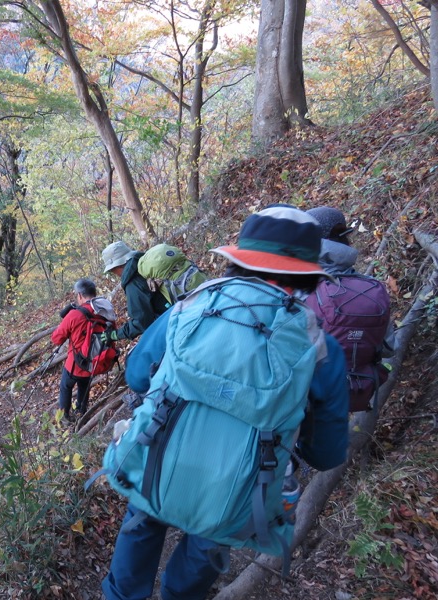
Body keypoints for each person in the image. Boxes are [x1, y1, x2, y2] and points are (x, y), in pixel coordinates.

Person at [102, 206, 350, 600]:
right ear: (306, 274)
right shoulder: (319, 347)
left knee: (143, 520)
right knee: (208, 546)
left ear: (238, 259)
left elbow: (136, 374)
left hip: (159, 459)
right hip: (238, 492)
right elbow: (327, 452)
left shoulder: (190, 306)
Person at [306, 206, 393, 411]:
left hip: (308, 397)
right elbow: (389, 348)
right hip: (355, 390)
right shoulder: (372, 287)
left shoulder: (301, 289)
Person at [51, 278, 117, 423]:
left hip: (75, 363)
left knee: (66, 386)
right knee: (84, 385)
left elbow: (56, 339)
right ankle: (81, 413)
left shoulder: (75, 314)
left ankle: (65, 416)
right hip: (96, 361)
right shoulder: (106, 310)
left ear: (80, 295)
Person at [101, 241, 168, 341]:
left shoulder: (132, 281)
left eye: (112, 270)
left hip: (172, 319)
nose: (114, 273)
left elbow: (141, 322)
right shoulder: (144, 263)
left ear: (118, 265)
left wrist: (116, 335)